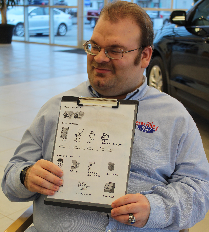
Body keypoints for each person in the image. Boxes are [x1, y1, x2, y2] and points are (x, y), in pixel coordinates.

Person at [2, 1, 209, 231]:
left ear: (145, 56)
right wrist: (26, 176)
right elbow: (10, 178)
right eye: (94, 46)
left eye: (114, 50)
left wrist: (154, 208)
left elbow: (199, 190)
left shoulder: (174, 117)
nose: (99, 58)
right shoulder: (55, 109)